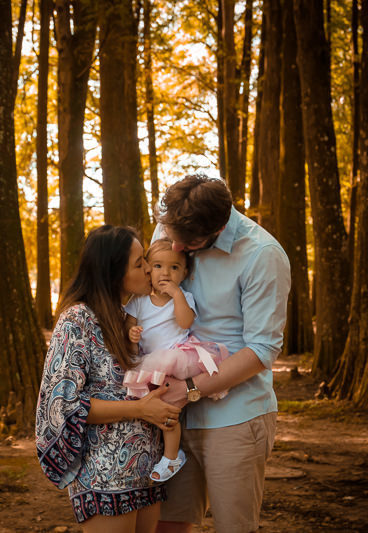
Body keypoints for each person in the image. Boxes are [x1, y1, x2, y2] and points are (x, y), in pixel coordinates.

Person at [152, 175, 291, 533]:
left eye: (188, 243)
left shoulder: (263, 255)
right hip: (169, 417)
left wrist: (190, 389)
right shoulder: (169, 230)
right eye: (170, 236)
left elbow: (262, 349)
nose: (175, 249)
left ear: (219, 227)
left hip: (235, 418)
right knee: (166, 525)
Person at [36, 225, 182, 533]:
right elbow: (63, 404)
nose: (147, 269)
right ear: (113, 271)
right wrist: (140, 409)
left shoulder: (127, 318)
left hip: (147, 468)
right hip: (103, 475)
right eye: (139, 262)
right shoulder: (77, 320)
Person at [122, 239, 230, 483]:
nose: (165, 274)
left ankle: (171, 455)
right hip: (151, 365)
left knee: (169, 400)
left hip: (179, 357)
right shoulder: (138, 302)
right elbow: (129, 335)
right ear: (149, 269)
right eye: (158, 266)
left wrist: (177, 295)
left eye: (174, 268)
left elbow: (184, 323)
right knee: (162, 408)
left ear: (184, 273)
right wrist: (132, 335)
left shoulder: (184, 297)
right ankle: (165, 454)